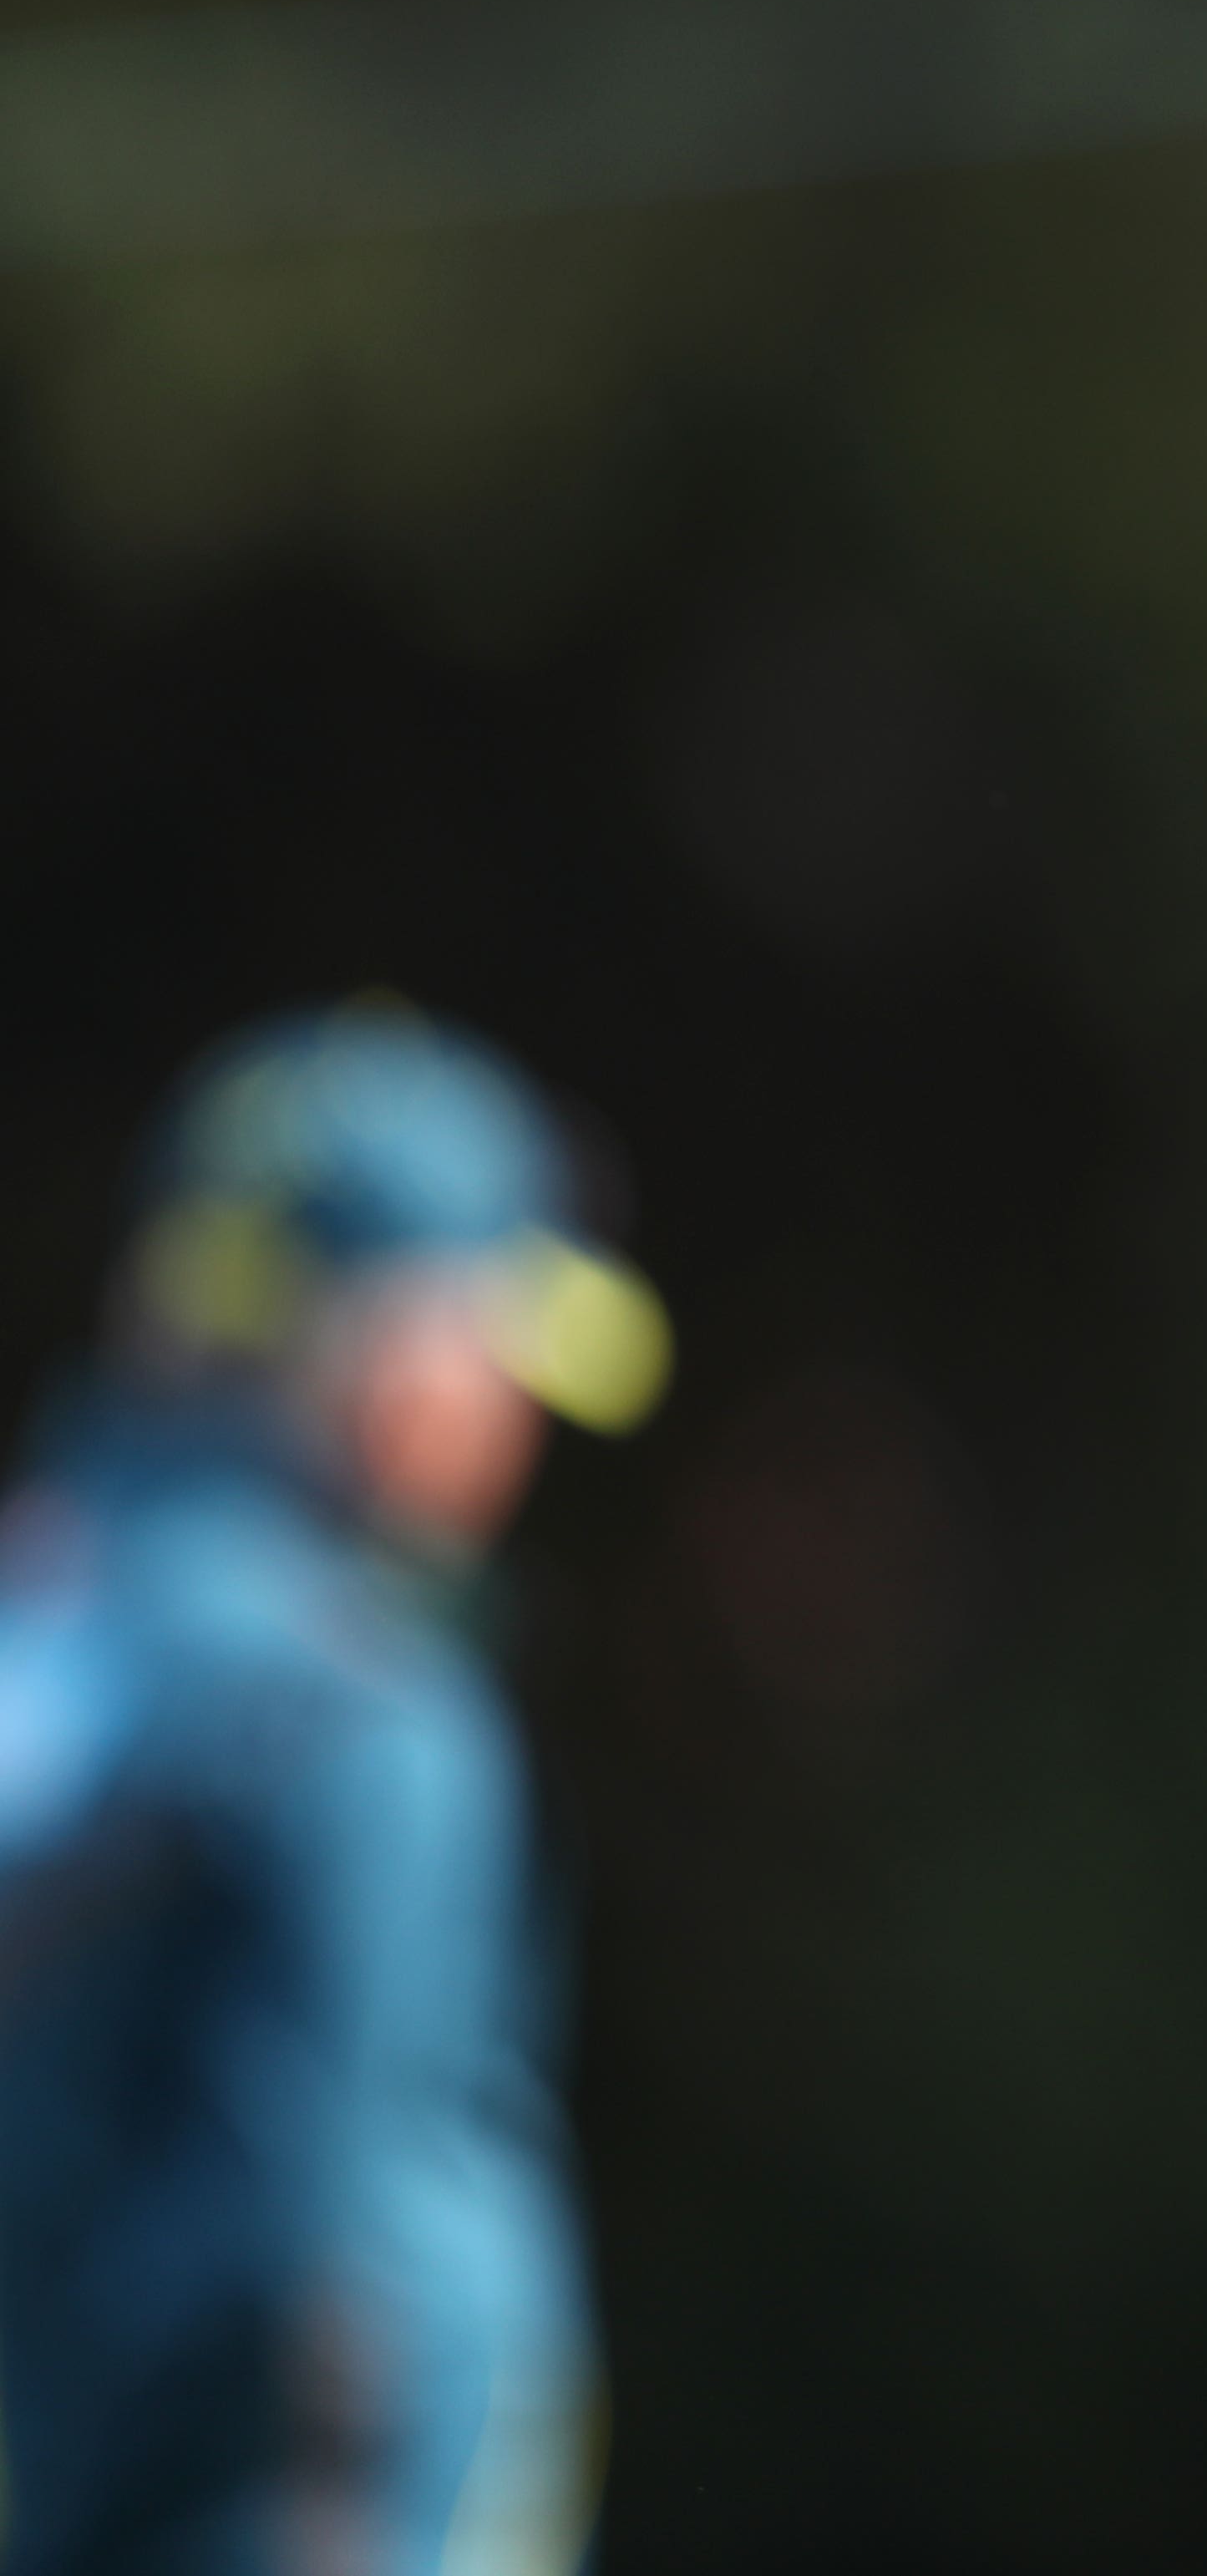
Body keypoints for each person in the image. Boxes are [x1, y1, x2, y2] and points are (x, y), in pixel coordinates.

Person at [0, 1003, 668, 2575]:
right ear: (377, 1338)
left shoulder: (49, 1607)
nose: (514, 1418)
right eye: (495, 1338)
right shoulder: (365, 1716)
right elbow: (308, 2257)